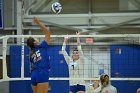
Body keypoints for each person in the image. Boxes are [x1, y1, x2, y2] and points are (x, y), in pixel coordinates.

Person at [27, 17, 50, 93]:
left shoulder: (31, 54)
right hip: (42, 73)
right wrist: (38, 22)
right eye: (35, 38)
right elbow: (47, 33)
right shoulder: (42, 46)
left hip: (34, 74)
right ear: (34, 42)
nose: (36, 38)